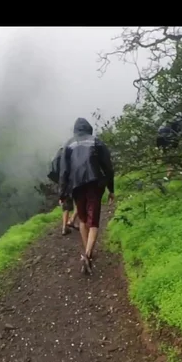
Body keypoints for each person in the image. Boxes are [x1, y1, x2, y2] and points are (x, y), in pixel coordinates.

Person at [58, 117, 115, 275]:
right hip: (94, 184)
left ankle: (87, 252)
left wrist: (62, 193)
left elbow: (64, 171)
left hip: (76, 185)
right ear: (88, 128)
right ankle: (88, 254)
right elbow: (108, 167)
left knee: (83, 219)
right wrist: (111, 188)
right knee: (94, 221)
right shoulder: (96, 141)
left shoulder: (68, 144)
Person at [156, 110, 182, 179]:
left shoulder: (168, 123)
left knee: (171, 159)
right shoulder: (180, 122)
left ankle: (170, 176)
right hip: (171, 140)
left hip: (164, 141)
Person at [48, 147, 78, 235]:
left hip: (63, 182)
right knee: (80, 203)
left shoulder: (60, 156)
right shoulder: (72, 154)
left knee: (66, 205)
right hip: (73, 182)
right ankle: (72, 220)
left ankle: (64, 227)